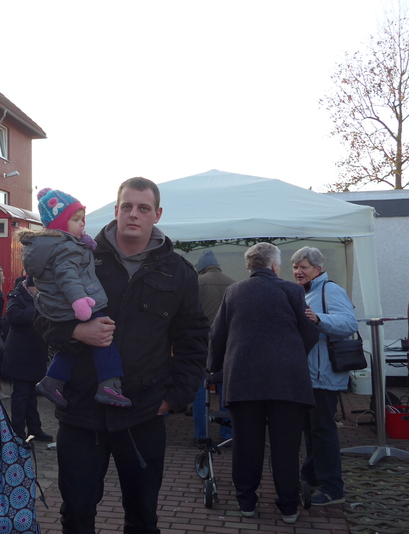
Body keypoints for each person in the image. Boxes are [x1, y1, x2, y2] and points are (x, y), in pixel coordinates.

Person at [34, 177, 209, 533]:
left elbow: (193, 337)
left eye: (143, 208)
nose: (134, 214)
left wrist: (175, 397)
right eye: (127, 206)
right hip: (81, 412)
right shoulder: (77, 254)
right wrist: (75, 331)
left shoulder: (177, 271)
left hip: (142, 412)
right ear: (116, 211)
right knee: (76, 514)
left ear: (157, 214)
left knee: (143, 517)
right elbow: (40, 316)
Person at [209, 242, 318, 524]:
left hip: (243, 379)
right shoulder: (293, 291)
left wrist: (214, 369)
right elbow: (309, 333)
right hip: (287, 381)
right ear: (274, 266)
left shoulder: (233, 292)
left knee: (246, 444)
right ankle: (288, 506)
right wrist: (293, 355)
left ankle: (246, 501)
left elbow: (218, 335)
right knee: (286, 446)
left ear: (250, 266)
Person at [19, 187, 131, 408]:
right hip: (75, 303)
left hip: (60, 305)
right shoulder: (66, 248)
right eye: (76, 219)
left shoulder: (56, 246)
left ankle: (52, 381)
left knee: (76, 344)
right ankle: (109, 385)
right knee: (104, 338)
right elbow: (68, 276)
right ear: (60, 224)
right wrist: (79, 301)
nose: (82, 224)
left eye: (82, 219)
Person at [292, 246, 358, 507]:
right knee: (311, 430)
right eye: (295, 267)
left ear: (318, 269)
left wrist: (319, 319)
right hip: (308, 375)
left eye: (304, 267)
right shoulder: (303, 291)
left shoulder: (330, 290)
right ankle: (311, 476)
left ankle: (333, 489)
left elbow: (349, 323)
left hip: (324, 375)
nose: (298, 271)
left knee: (322, 430)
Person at [0, 276, 53, 442]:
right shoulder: (16, 296)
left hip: (35, 354)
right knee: (21, 395)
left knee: (31, 395)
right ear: (29, 286)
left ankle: (35, 430)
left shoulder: (39, 297)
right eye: (37, 287)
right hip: (20, 355)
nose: (39, 291)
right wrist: (38, 309)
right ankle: (17, 434)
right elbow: (13, 316)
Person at [192, 250, 235, 444]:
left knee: (201, 391)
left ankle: (202, 436)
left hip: (202, 345)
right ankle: (227, 434)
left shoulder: (196, 283)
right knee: (226, 390)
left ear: (201, 268)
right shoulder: (233, 284)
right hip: (228, 344)